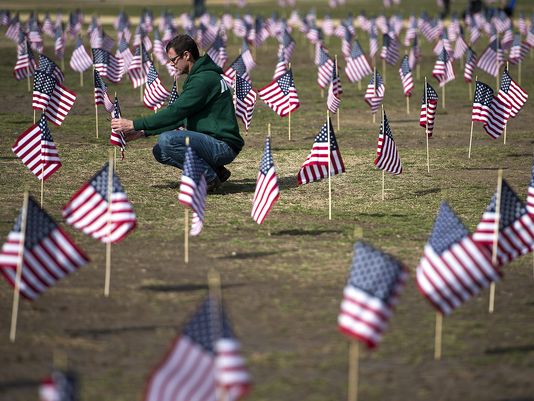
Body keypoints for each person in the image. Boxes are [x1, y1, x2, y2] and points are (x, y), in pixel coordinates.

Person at [111, 34, 243, 191]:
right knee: (160, 151)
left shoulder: (203, 79)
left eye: (173, 60)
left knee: (167, 140)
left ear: (186, 55)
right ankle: (216, 171)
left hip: (222, 145)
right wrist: (143, 132)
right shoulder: (201, 76)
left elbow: (175, 112)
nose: (172, 64)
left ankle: (208, 177)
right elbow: (182, 118)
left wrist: (134, 124)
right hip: (212, 142)